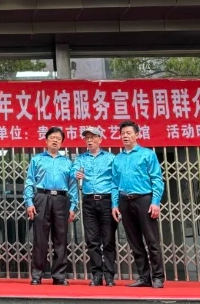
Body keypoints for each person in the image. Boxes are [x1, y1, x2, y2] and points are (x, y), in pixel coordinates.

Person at [112, 120, 165, 288]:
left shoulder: (147, 154)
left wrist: (155, 202)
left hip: (144, 200)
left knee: (151, 240)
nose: (125, 136)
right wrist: (115, 205)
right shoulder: (117, 159)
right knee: (134, 242)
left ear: (137, 134)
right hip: (125, 201)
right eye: (123, 133)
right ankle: (144, 277)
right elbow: (114, 183)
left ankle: (158, 277)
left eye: (128, 133)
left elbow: (157, 179)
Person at [24, 126, 78, 286]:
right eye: (52, 137)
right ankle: (37, 275)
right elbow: (29, 182)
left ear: (62, 143)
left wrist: (73, 207)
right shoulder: (37, 160)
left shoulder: (68, 163)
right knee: (40, 239)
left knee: (60, 238)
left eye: (58, 138)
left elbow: (73, 185)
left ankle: (59, 276)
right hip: (42, 198)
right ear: (46, 140)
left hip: (61, 199)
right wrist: (29, 202)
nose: (55, 140)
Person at [71, 127, 118, 287]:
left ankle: (109, 276)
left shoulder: (111, 158)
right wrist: (76, 174)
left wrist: (115, 204)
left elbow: (116, 181)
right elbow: (73, 170)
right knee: (92, 241)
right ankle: (96, 275)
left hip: (107, 201)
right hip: (89, 201)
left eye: (92, 137)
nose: (89, 140)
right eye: (87, 138)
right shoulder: (81, 158)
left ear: (100, 139)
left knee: (108, 240)